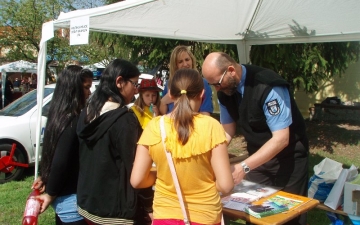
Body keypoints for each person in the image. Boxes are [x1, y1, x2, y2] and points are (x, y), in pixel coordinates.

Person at [201, 52, 309, 225]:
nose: (216, 89)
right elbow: (227, 130)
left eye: (217, 83)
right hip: (258, 158)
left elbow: (281, 139)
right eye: (212, 85)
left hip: (290, 159)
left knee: (290, 217)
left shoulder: (267, 85)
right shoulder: (225, 91)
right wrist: (210, 154)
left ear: (230, 70)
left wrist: (243, 167)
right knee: (254, 214)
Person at [130, 68, 234, 225]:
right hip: (205, 216)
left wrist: (157, 176)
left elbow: (137, 181)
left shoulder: (154, 126)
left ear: (171, 95)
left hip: (165, 215)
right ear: (202, 94)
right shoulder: (211, 126)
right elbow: (225, 185)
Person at [76, 59, 153, 225]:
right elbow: (136, 167)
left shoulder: (86, 112)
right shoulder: (124, 120)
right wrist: (149, 205)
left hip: (86, 204)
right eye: (134, 84)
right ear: (119, 82)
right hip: (115, 211)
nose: (136, 90)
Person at [34, 65, 93, 225]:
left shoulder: (57, 116)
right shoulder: (72, 120)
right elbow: (61, 160)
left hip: (63, 198)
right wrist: (50, 193)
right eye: (86, 87)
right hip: (70, 198)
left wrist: (44, 176)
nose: (89, 92)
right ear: (73, 88)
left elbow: (51, 151)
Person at [159, 45, 213, 115]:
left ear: (192, 60)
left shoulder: (202, 83)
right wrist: (164, 101)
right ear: (175, 65)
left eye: (187, 60)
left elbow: (206, 114)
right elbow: (163, 113)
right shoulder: (169, 84)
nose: (185, 64)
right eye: (180, 62)